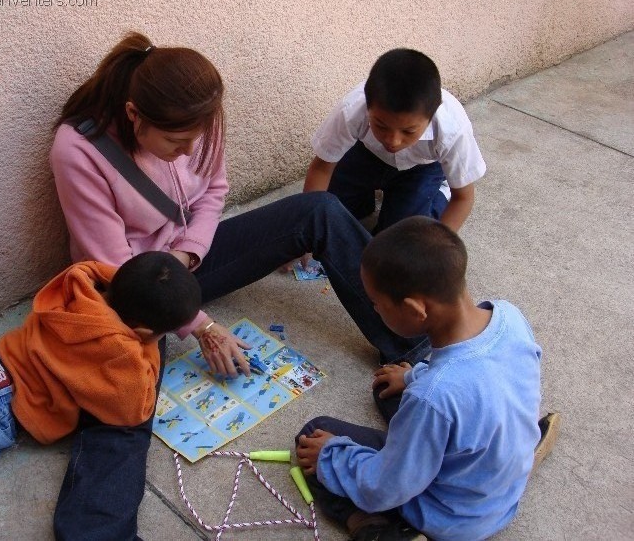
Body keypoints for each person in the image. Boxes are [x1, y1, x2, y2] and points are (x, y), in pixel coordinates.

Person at [50, 31, 428, 374]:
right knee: (128, 377)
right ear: (134, 115)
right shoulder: (79, 151)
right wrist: (201, 325)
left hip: (186, 259)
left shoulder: (194, 113)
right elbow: (112, 266)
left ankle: (417, 349)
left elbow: (214, 191)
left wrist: (187, 255)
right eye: (175, 142)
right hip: (133, 285)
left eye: (197, 138)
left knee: (320, 210)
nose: (190, 151)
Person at [0, 252, 200, 539]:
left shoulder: (80, 284)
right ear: (145, 332)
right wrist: (148, 345)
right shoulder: (120, 353)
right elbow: (135, 410)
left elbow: (107, 273)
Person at [295, 217, 557, 541]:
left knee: (314, 436)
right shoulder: (508, 316)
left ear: (415, 309)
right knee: (388, 389)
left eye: (376, 304)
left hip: (452, 515)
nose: (373, 310)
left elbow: (386, 486)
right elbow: (474, 377)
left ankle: (373, 528)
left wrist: (331, 454)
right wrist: (413, 376)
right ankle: (518, 449)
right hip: (501, 477)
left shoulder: (432, 396)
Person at [304, 48, 486, 234]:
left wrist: (434, 244)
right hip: (367, 154)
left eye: (408, 131)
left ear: (431, 116)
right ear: (367, 107)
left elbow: (462, 198)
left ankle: (437, 193)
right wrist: (309, 231)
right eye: (381, 126)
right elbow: (321, 168)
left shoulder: (452, 129)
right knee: (330, 211)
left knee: (401, 236)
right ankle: (364, 199)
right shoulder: (351, 109)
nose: (393, 141)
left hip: (421, 168)